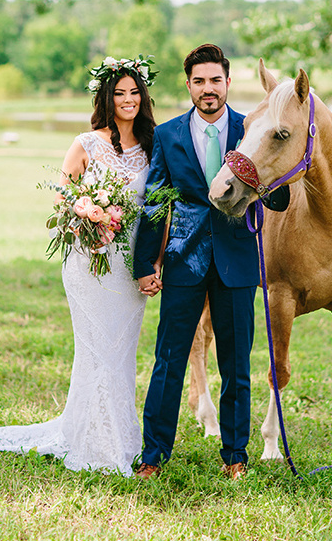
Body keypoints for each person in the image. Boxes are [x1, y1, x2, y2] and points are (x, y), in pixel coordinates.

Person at [0, 56, 157, 476]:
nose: (128, 100)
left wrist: (154, 260)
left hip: (130, 265)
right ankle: (97, 445)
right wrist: (87, 212)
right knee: (95, 350)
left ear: (142, 97)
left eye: (134, 92)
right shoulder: (85, 142)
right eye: (119, 93)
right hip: (89, 262)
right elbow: (63, 197)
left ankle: (119, 436)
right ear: (106, 98)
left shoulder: (153, 146)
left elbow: (156, 211)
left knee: (122, 352)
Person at [133, 44, 260, 480]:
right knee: (168, 360)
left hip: (238, 261)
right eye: (199, 81)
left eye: (216, 80)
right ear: (188, 85)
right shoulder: (168, 135)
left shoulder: (251, 129)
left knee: (236, 365)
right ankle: (153, 455)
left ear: (228, 82)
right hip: (183, 259)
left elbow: (277, 194)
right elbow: (154, 202)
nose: (209, 89)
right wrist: (145, 264)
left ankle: (236, 456)